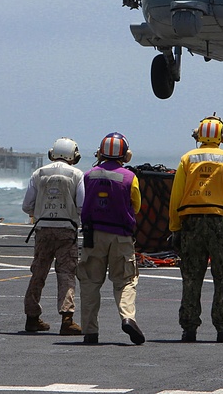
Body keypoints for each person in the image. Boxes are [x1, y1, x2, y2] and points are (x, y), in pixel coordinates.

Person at [169, 114, 223, 343]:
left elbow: (176, 197)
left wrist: (175, 228)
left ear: (198, 135)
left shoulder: (187, 159)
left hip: (191, 222)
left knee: (191, 277)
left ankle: (189, 329)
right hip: (222, 222)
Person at [76, 132, 145, 345]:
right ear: (126, 155)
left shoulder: (88, 175)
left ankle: (90, 331)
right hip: (121, 237)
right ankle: (127, 317)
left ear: (100, 152)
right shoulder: (130, 177)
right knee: (125, 281)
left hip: (93, 235)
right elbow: (136, 206)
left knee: (90, 283)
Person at [21, 137, 85, 335]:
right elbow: (82, 205)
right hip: (66, 230)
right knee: (66, 274)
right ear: (73, 156)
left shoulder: (39, 173)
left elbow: (27, 206)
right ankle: (67, 319)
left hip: (43, 230)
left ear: (52, 154)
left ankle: (32, 318)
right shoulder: (77, 174)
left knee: (38, 273)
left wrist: (42, 212)